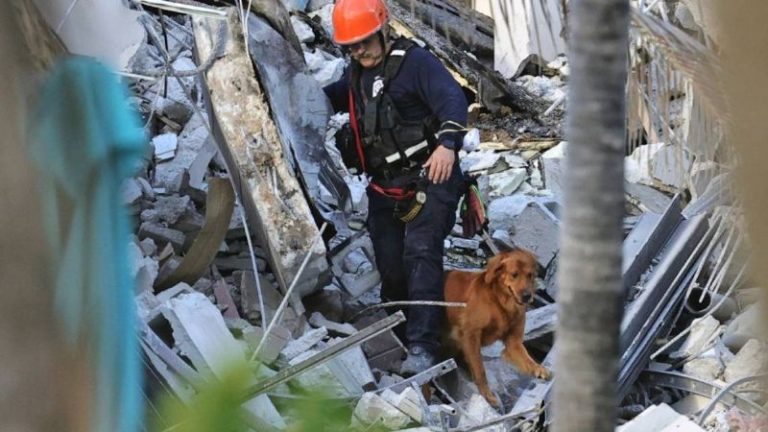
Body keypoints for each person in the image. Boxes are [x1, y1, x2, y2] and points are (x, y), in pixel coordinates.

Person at [323, 0, 468, 376]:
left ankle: (423, 346)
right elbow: (337, 96)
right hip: (385, 185)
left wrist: (448, 145)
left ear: (382, 30)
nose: (359, 51)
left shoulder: (416, 64)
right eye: (350, 46)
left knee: (420, 252)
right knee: (390, 261)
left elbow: (453, 100)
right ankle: (398, 334)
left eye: (364, 42)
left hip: (429, 176)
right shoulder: (357, 73)